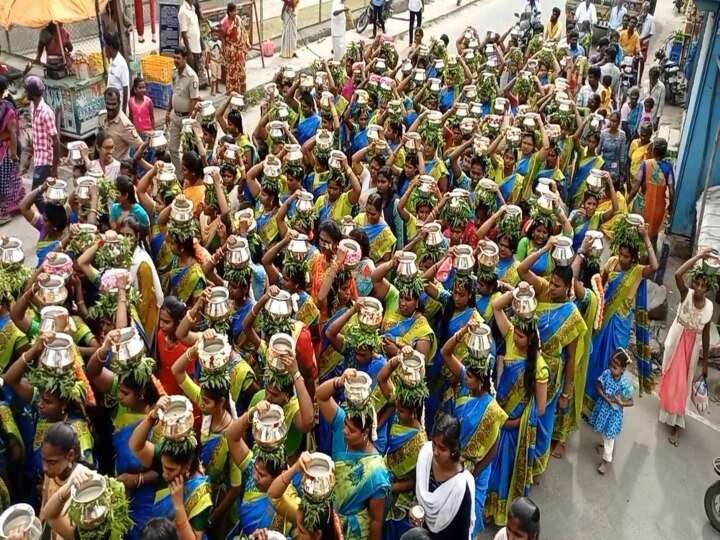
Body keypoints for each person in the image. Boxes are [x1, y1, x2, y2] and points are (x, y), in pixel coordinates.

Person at [659, 249, 715, 446]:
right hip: (677, 341)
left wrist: (705, 363)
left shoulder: (709, 308)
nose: (699, 288)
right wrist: (699, 257)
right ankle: (668, 411)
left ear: (708, 289)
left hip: (691, 348)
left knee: (684, 383)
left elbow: (706, 335)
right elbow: (677, 274)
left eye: (703, 286)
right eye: (697, 284)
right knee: (670, 377)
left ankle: (678, 426)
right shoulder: (686, 294)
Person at [412, 413, 475, 538]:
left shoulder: (461, 488)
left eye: (442, 448)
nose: (435, 452)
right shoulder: (425, 456)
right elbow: (417, 489)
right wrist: (414, 508)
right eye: (434, 444)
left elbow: (461, 534)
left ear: (454, 450)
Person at [590, 348, 634, 474]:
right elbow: (598, 386)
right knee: (605, 431)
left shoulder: (624, 384)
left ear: (623, 370)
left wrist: (621, 403)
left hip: (614, 414)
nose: (611, 369)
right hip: (604, 408)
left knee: (609, 436)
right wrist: (605, 398)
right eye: (611, 365)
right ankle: (604, 447)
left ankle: (606, 460)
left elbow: (631, 402)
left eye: (615, 367)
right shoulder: (606, 374)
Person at [628, 137, 675, 240]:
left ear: (653, 150)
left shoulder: (646, 164)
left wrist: (627, 202)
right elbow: (671, 191)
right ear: (665, 152)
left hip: (641, 205)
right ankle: (649, 254)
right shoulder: (668, 168)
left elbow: (635, 188)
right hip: (658, 207)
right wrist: (670, 207)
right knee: (652, 235)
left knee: (636, 233)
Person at [25, 75, 59, 213]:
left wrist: (55, 167)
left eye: (27, 91)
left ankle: (48, 218)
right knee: (43, 192)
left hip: (46, 159)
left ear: (32, 93)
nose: (25, 93)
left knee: (36, 193)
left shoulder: (46, 113)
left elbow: (56, 141)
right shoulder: (33, 106)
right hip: (39, 158)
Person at [166, 46, 200, 174]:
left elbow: (193, 100)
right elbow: (173, 93)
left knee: (187, 151)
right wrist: (168, 112)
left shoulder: (192, 77)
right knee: (172, 148)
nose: (176, 60)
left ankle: (189, 175)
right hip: (175, 116)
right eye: (174, 58)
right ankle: (180, 176)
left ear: (185, 59)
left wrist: (189, 121)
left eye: (178, 58)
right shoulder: (174, 73)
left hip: (186, 118)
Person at [0, 76, 24, 224]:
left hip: (8, 150)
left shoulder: (8, 108)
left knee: (6, 181)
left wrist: (13, 154)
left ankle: (5, 212)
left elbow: (13, 134)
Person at [100, 86, 143, 161]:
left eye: (114, 104)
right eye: (108, 103)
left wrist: (132, 164)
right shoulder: (101, 116)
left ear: (119, 103)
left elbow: (141, 147)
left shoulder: (125, 125)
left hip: (118, 169)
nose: (110, 107)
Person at [221, 3, 252, 94]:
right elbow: (223, 37)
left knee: (241, 70)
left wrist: (246, 44)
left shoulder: (238, 19)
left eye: (236, 10)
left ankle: (242, 91)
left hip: (240, 50)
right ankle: (232, 92)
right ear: (229, 12)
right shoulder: (225, 23)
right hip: (231, 51)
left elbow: (243, 32)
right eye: (233, 11)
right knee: (231, 71)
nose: (235, 12)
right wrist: (224, 51)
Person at [178, 0, 206, 88]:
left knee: (195, 75)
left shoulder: (193, 8)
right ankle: (191, 98)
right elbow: (184, 33)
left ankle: (196, 95)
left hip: (196, 47)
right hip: (190, 49)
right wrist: (189, 52)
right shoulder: (183, 11)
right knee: (190, 75)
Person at [105, 32, 130, 113]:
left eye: (106, 47)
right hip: (112, 104)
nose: (105, 50)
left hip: (119, 105)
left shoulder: (121, 64)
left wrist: (123, 109)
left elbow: (125, 88)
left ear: (110, 47)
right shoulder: (113, 61)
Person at [641, 66, 666, 131]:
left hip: (653, 115)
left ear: (657, 78)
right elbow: (641, 97)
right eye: (650, 78)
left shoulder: (661, 87)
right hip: (643, 113)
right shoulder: (645, 83)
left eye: (654, 79)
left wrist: (657, 120)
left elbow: (661, 105)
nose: (652, 80)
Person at [207, 26, 223, 96]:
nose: (215, 36)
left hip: (218, 60)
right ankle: (212, 90)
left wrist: (221, 59)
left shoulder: (219, 42)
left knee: (218, 75)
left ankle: (217, 88)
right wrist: (207, 62)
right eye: (214, 35)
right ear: (211, 35)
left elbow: (221, 51)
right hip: (213, 60)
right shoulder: (209, 43)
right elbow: (208, 53)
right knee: (213, 76)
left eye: (217, 35)